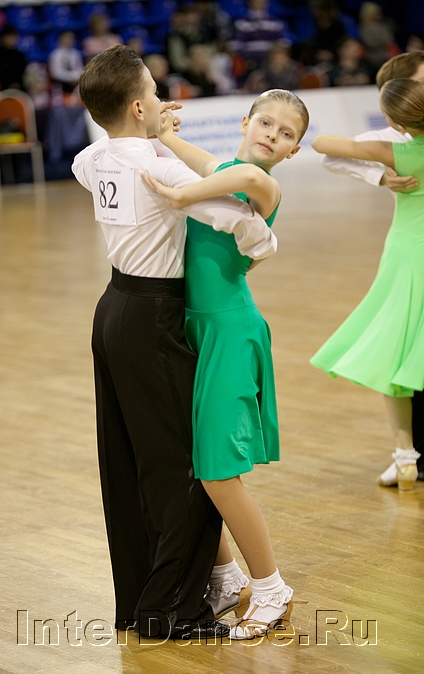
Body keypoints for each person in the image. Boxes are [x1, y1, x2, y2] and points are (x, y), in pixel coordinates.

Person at [71, 44, 278, 641]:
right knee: (183, 466)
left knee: (128, 459)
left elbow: (88, 162)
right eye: (156, 93)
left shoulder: (96, 157)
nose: (163, 100)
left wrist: (155, 137)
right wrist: (263, 246)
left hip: (112, 310)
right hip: (154, 319)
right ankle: (175, 612)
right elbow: (238, 218)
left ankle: (143, 601)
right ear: (138, 107)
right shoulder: (160, 168)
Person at [142, 88, 309, 640]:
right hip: (192, 329)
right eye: (266, 123)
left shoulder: (262, 183)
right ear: (245, 121)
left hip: (230, 332)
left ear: (294, 151)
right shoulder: (224, 170)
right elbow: (208, 162)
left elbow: (236, 177)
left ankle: (271, 588)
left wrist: (176, 192)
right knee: (194, 465)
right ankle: (226, 577)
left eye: (286, 134)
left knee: (218, 472)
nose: (273, 135)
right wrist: (165, 136)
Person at [311, 77, 424, 491]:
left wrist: (383, 171)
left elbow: (321, 143)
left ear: (395, 122)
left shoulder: (393, 151)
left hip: (407, 257)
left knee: (395, 351)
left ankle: (405, 455)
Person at [0, 25, 27, 91]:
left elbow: (22, 72)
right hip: (1, 89)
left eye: (13, 36)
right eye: (9, 36)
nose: (12, 39)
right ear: (2, 38)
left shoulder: (20, 55)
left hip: (19, 88)